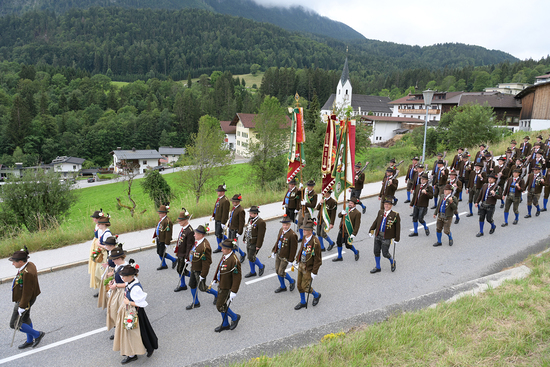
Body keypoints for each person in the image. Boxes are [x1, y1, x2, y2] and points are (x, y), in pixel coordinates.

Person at [113, 260, 158, 364]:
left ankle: (144, 349)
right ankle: (132, 353)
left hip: (134, 312)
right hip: (129, 311)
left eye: (124, 276)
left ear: (130, 276)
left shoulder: (136, 288)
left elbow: (142, 304)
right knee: (132, 332)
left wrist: (128, 302)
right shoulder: (131, 282)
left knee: (136, 332)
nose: (122, 278)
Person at [9, 246, 45, 349]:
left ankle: (37, 334)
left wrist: (22, 306)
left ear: (20, 262)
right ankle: (29, 340)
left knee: (14, 323)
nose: (12, 263)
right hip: (26, 298)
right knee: (25, 318)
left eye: (14, 262)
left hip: (24, 300)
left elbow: (27, 292)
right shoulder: (28, 265)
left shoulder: (27, 273)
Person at [211, 239, 242, 332]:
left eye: (224, 248)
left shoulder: (234, 261)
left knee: (220, 306)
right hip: (222, 284)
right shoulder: (225, 255)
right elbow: (220, 268)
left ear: (229, 249)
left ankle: (235, 317)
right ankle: (225, 324)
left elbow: (237, 277)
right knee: (222, 304)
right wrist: (215, 279)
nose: (221, 250)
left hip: (227, 287)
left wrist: (234, 291)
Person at [293, 218, 322, 310]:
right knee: (299, 285)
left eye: (305, 230)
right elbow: (301, 249)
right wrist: (297, 260)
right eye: (303, 229)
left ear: (310, 231)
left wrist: (314, 272)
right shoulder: (305, 238)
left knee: (305, 286)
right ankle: (302, 302)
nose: (303, 231)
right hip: (301, 264)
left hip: (308, 267)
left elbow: (318, 259)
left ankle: (316, 295)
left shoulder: (315, 242)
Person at [186, 225, 217, 309]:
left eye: (196, 233)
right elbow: (193, 252)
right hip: (194, 267)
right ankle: (195, 302)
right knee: (192, 285)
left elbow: (207, 263)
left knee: (202, 288)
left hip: (199, 270)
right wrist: (189, 259)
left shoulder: (205, 247)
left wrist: (203, 275)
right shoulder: (198, 242)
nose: (194, 235)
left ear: (201, 235)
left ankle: (217, 294)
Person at [369, 198, 400, 273]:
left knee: (385, 253)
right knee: (376, 251)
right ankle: (378, 267)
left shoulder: (395, 215)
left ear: (391, 206)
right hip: (378, 235)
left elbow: (398, 228)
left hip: (386, 237)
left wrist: (397, 239)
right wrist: (371, 230)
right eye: (385, 204)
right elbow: (376, 221)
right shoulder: (380, 211)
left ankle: (392, 261)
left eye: (388, 204)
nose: (386, 205)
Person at [271, 214, 298, 293]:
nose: (285, 226)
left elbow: (293, 249)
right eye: (283, 224)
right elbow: (278, 241)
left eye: (286, 225)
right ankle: (283, 286)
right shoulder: (281, 230)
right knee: (277, 270)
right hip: (279, 253)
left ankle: (292, 281)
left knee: (281, 272)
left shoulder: (292, 235)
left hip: (286, 256)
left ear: (290, 225)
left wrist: (291, 260)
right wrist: (274, 250)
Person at [106, 245, 128, 339]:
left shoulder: (125, 268)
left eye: (114, 259)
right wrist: (113, 281)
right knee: (114, 312)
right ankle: (118, 331)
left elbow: (127, 284)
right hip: (117, 290)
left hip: (122, 292)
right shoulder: (118, 265)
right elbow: (117, 277)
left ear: (119, 258)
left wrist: (116, 285)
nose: (113, 261)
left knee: (120, 313)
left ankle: (121, 333)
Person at [333, 196, 361, 262]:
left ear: (354, 205)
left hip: (348, 231)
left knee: (348, 245)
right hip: (342, 229)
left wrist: (354, 233)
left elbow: (357, 225)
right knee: (339, 242)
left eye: (351, 203)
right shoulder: (346, 209)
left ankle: (356, 252)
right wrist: (341, 213)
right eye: (349, 203)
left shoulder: (357, 213)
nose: (349, 204)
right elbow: (339, 216)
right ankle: (339, 257)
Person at [243, 206, 266, 278]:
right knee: (250, 257)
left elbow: (261, 235)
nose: (250, 215)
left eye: (251, 213)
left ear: (256, 214)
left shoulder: (261, 222)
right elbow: (247, 229)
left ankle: (261, 266)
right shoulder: (250, 219)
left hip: (255, 242)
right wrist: (244, 238)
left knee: (251, 256)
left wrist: (258, 245)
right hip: (249, 240)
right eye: (250, 213)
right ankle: (253, 272)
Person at [174, 209, 194, 292]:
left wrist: (187, 257)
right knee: (180, 269)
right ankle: (183, 284)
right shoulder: (184, 228)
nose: (179, 222)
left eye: (180, 220)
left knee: (181, 270)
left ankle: (195, 278)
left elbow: (189, 246)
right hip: (180, 252)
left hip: (184, 254)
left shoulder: (189, 231)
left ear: (185, 220)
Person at [98, 236, 119, 310]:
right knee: (107, 289)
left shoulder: (116, 254)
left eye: (107, 245)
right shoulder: (110, 252)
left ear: (112, 246)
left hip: (114, 272)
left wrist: (113, 273)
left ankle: (114, 307)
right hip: (110, 270)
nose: (105, 246)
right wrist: (107, 264)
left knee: (112, 290)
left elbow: (119, 266)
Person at [409, 172, 433, 237]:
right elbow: (415, 195)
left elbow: (431, 196)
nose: (422, 180)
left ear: (426, 180)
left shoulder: (429, 187)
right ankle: (415, 232)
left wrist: (426, 193)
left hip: (423, 205)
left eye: (423, 179)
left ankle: (425, 227)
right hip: (416, 204)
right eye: (421, 179)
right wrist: (412, 203)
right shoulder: (418, 186)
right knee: (414, 218)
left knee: (420, 219)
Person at [153, 205, 176, 270]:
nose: (159, 214)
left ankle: (174, 260)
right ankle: (164, 264)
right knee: (159, 252)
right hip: (159, 238)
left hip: (163, 240)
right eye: (159, 213)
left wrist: (167, 242)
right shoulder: (162, 220)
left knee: (161, 253)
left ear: (165, 213)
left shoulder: (167, 221)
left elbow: (168, 233)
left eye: (161, 213)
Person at [227, 193, 247, 262]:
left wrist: (239, 232)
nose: (232, 202)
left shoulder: (241, 210)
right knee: (231, 244)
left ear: (238, 202)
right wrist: (228, 225)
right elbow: (231, 218)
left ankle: (233, 259)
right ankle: (242, 254)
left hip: (235, 231)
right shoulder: (234, 208)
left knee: (233, 245)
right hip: (231, 228)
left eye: (234, 201)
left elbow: (242, 222)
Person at [212, 184, 230, 253]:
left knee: (219, 234)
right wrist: (213, 215)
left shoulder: (225, 200)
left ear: (222, 192)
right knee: (218, 233)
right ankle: (223, 244)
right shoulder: (219, 199)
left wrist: (223, 222)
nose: (217, 192)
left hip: (220, 220)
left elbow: (225, 213)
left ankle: (221, 246)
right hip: (217, 218)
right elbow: (216, 207)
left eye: (219, 191)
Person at [89, 209, 102, 297]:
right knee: (96, 268)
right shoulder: (97, 225)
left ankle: (102, 289)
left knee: (99, 269)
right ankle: (100, 288)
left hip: (98, 245)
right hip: (95, 244)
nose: (93, 219)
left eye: (94, 218)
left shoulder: (101, 227)